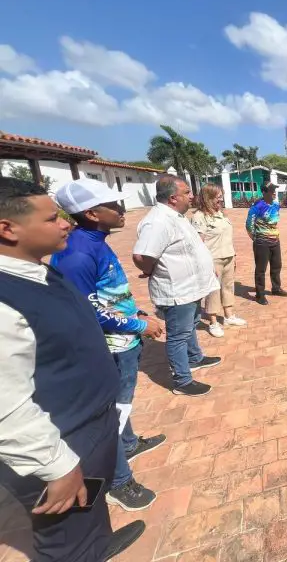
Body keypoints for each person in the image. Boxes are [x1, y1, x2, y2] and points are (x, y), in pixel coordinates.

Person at [0, 179, 144, 561]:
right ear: (7, 229)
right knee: (66, 540)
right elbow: (5, 405)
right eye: (52, 219)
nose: (66, 223)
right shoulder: (5, 299)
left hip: (88, 425)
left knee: (88, 516)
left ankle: (98, 543)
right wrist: (56, 466)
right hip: (60, 444)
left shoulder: (37, 271)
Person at [51, 179, 166, 512]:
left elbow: (105, 295)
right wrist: (141, 324)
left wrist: (135, 309)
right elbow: (90, 312)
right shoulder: (78, 253)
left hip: (123, 338)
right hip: (111, 346)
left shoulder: (95, 241)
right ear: (91, 213)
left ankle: (128, 444)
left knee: (121, 405)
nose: (122, 210)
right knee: (110, 415)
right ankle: (118, 480)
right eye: (113, 206)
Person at [133, 175, 221, 397]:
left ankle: (195, 358)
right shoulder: (158, 221)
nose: (192, 196)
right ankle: (182, 380)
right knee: (178, 335)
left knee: (189, 325)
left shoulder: (176, 216)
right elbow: (142, 255)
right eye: (187, 192)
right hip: (177, 289)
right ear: (173, 198)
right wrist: (151, 270)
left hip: (191, 287)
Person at [191, 183, 246, 335]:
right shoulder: (199, 217)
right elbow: (198, 244)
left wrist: (233, 255)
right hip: (213, 260)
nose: (221, 200)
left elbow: (227, 237)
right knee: (213, 291)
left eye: (221, 196)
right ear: (207, 198)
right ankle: (213, 322)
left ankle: (229, 316)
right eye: (218, 197)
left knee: (228, 287)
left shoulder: (221, 214)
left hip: (227, 256)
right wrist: (208, 263)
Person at [246, 182, 287, 306]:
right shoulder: (257, 206)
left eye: (275, 190)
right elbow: (249, 225)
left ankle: (276, 288)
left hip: (275, 240)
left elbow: (274, 221)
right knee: (261, 269)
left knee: (277, 265)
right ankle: (260, 294)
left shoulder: (276, 204)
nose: (274, 192)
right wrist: (256, 238)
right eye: (271, 191)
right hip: (261, 242)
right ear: (264, 192)